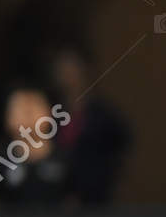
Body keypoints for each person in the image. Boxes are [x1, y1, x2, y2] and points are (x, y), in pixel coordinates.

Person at [49, 46, 132, 204]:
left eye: (72, 68)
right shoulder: (50, 114)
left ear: (84, 71)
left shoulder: (104, 115)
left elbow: (121, 144)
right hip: (57, 198)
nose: (68, 75)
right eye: (62, 69)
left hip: (96, 196)